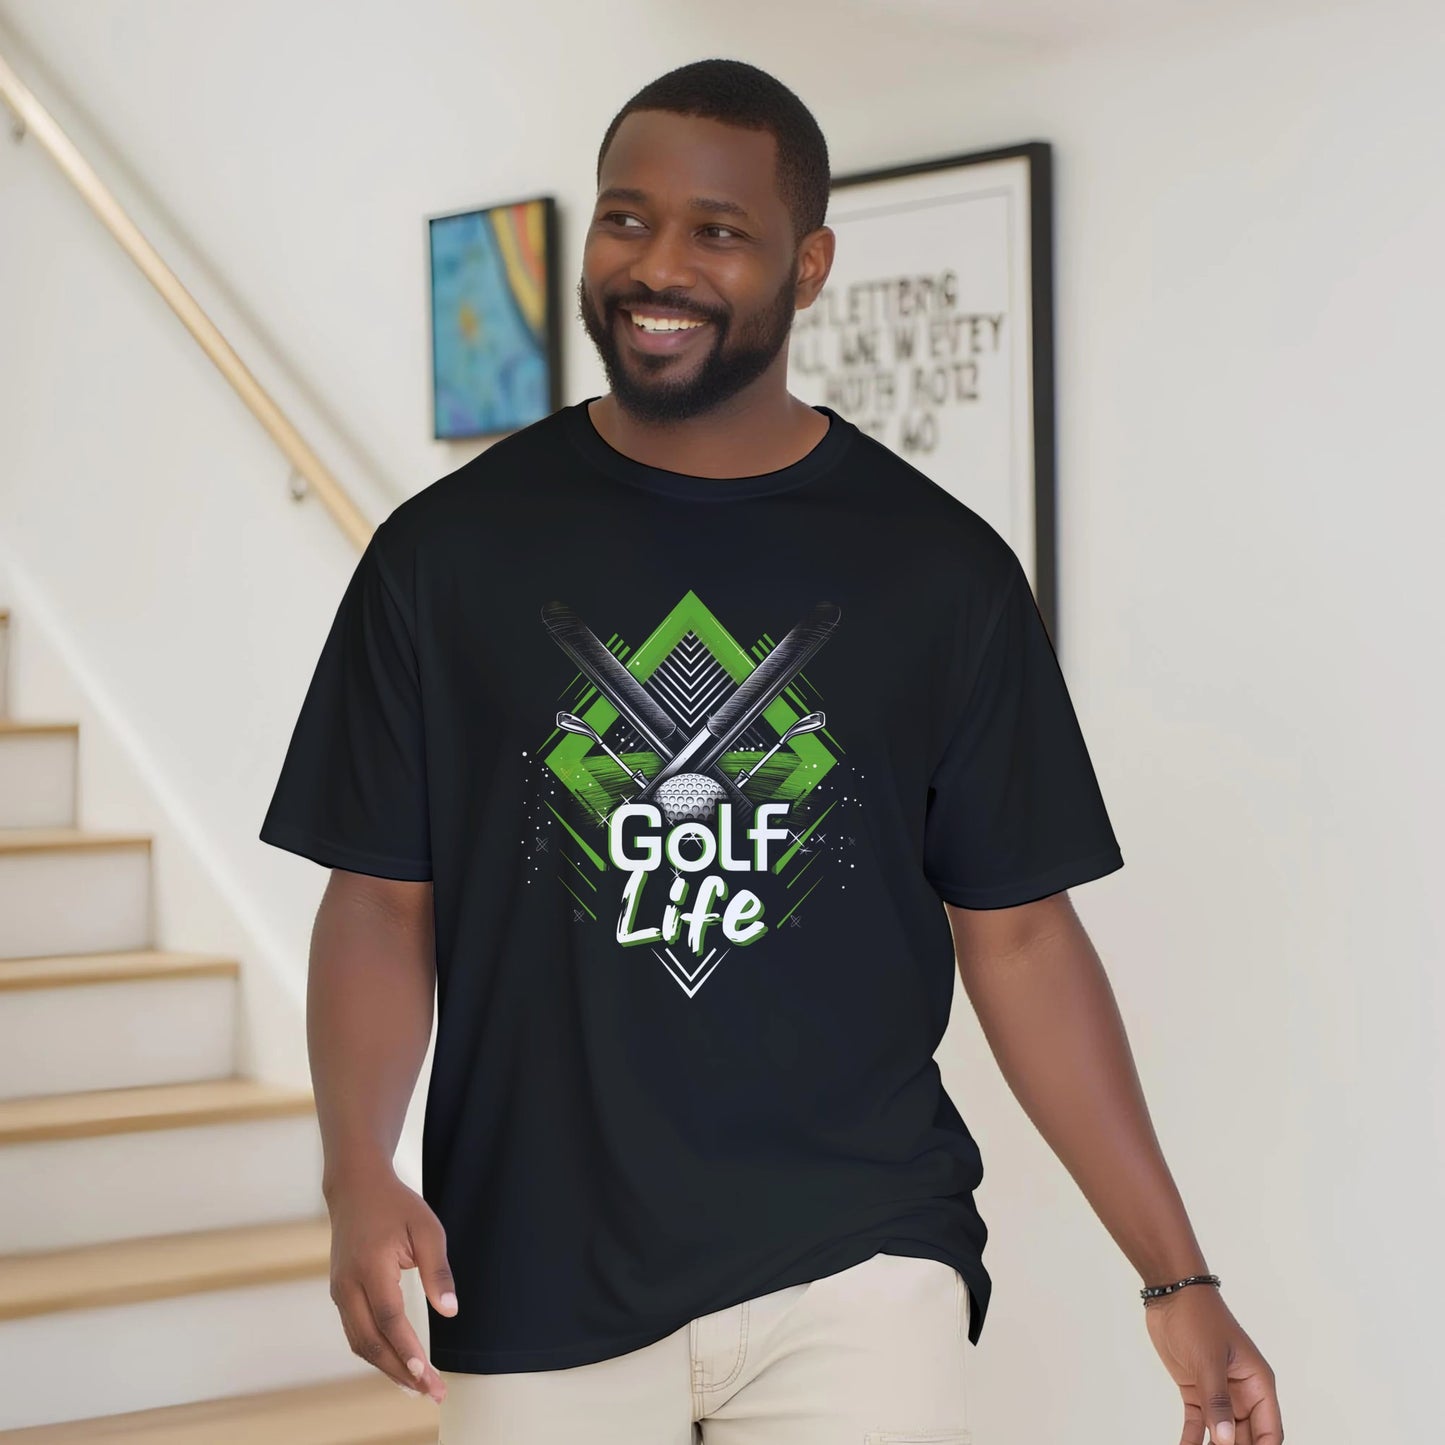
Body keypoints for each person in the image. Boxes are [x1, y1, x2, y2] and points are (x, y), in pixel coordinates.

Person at [259, 56, 1284, 1445]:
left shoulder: (938, 573)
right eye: (626, 219)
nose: (655, 264)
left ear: (808, 267)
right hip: (531, 1269)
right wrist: (352, 1170)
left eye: (715, 231)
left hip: (854, 1258)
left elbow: (1026, 941)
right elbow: (381, 900)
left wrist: (1176, 1272)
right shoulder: (446, 558)